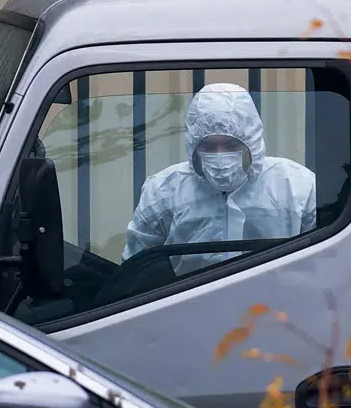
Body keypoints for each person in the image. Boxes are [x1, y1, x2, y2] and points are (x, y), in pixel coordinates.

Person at [123, 82, 318, 276]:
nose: (219, 155)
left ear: (252, 141)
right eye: (208, 146)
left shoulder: (296, 186)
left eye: (231, 144)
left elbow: (321, 262)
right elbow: (135, 270)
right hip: (191, 295)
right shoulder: (164, 191)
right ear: (193, 146)